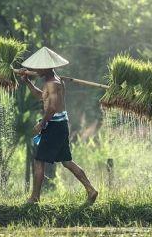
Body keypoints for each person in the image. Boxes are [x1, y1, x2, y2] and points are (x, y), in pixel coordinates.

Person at [17, 46, 98, 205]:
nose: (36, 70)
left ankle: (34, 198)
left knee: (39, 160)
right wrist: (27, 82)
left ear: (47, 67)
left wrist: (42, 123)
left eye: (40, 67)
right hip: (60, 125)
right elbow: (42, 96)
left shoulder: (53, 83)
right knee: (67, 161)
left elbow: (52, 108)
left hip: (54, 126)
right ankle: (91, 190)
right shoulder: (52, 81)